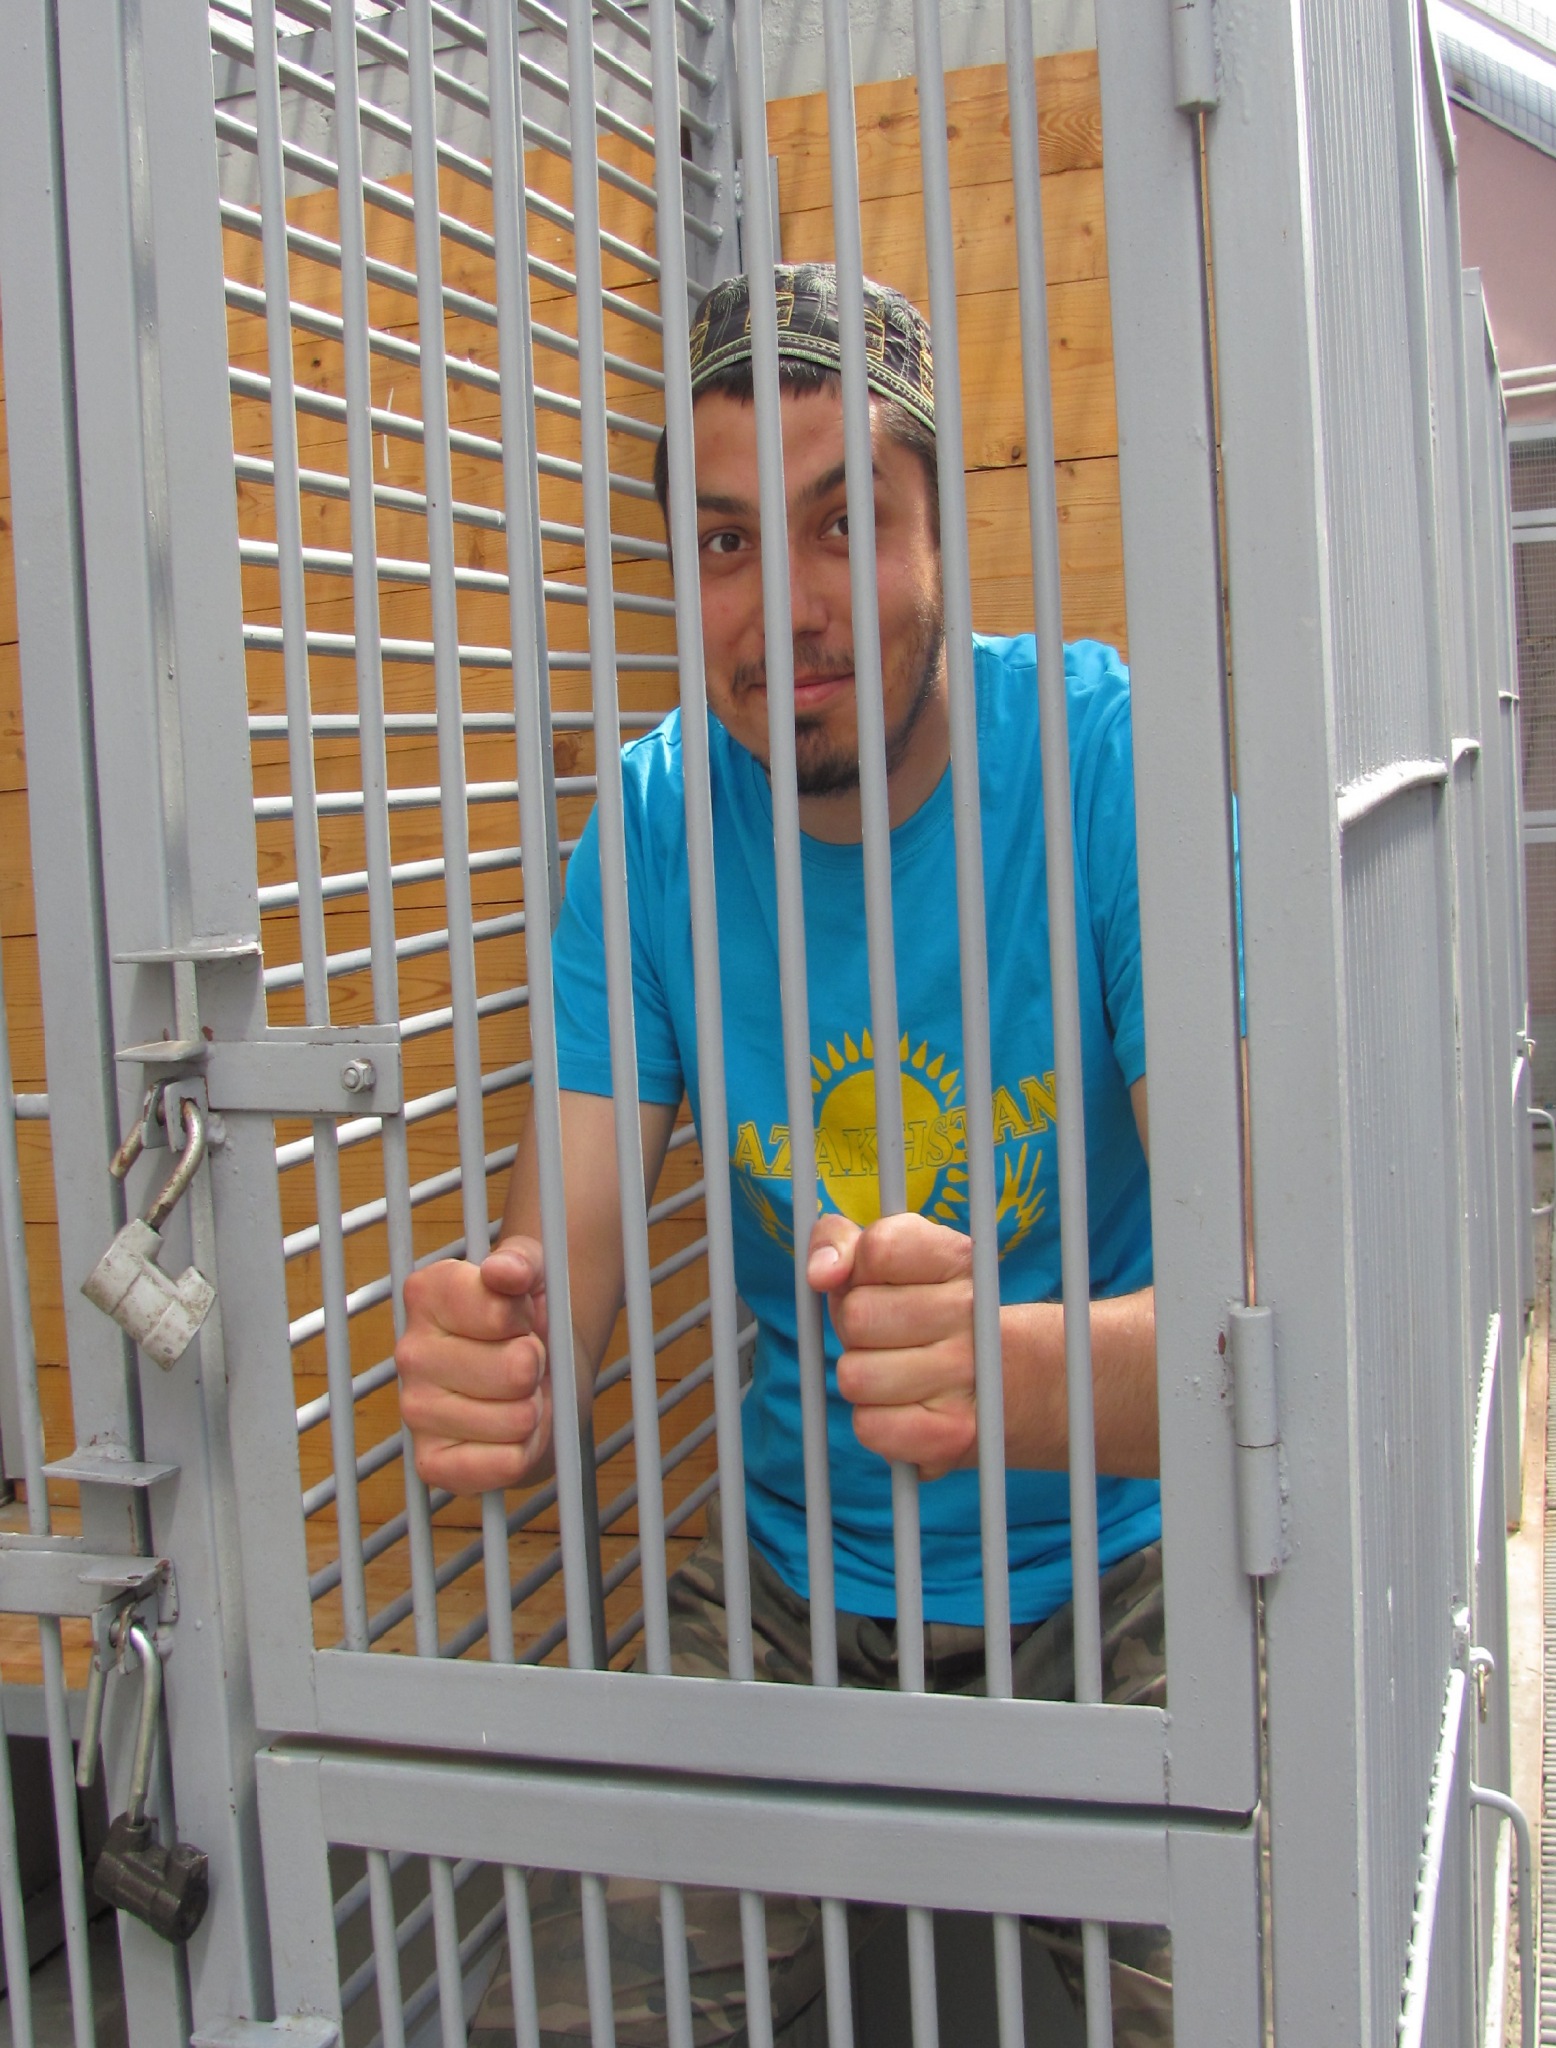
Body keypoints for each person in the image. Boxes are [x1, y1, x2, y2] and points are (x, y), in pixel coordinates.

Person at [395, 264, 1171, 2047]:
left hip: (1119, 1565)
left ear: (940, 537)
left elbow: (1263, 1311)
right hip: (784, 1579)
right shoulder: (652, 823)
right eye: (730, 545)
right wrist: (500, 1368)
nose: (788, 609)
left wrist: (1003, 1372)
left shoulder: (1097, 757)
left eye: (844, 524)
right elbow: (560, 1272)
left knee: (1259, 1979)